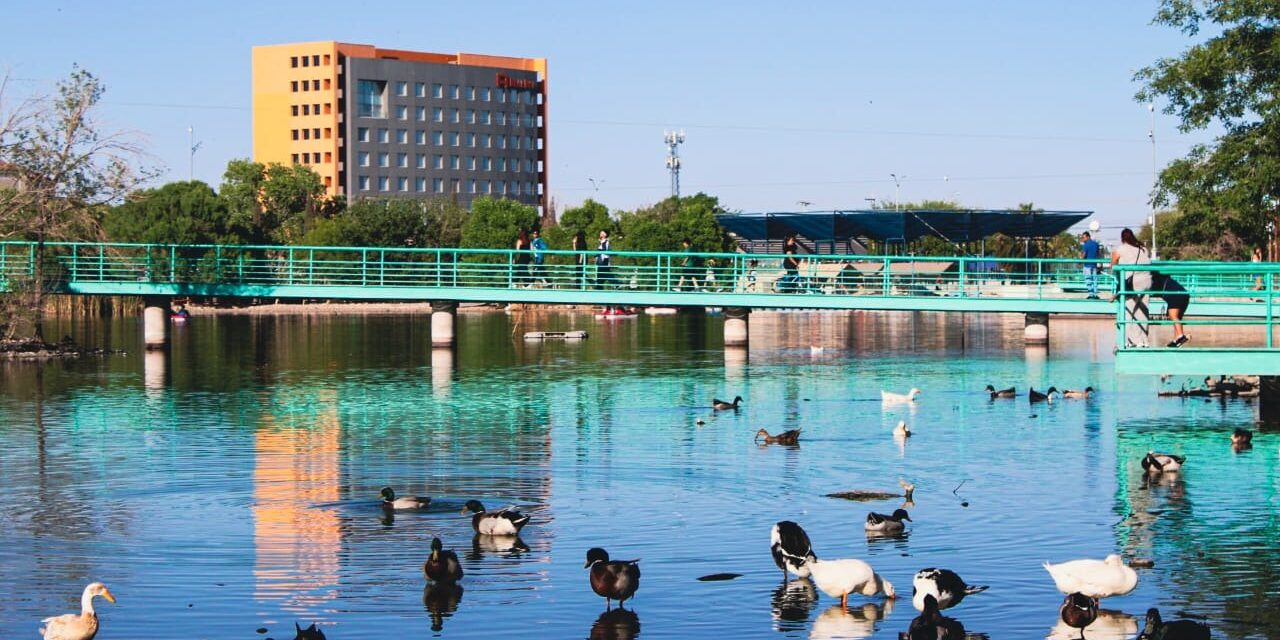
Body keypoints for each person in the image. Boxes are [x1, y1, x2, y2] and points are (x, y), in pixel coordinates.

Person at [1110, 227, 1152, 348]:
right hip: (1147, 281)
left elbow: (1113, 265)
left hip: (1133, 283)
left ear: (1122, 238)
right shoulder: (1143, 249)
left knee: (1129, 311)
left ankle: (1132, 341)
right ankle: (1144, 340)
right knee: (1142, 311)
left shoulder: (1121, 248)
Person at [1157, 273, 1190, 347]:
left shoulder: (1157, 279)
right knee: (1176, 318)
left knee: (1173, 316)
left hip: (1175, 294)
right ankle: (1176, 340)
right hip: (1183, 294)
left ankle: (1181, 336)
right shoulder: (1168, 280)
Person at [1080, 231, 1100, 299]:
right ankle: (1095, 294)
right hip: (1094, 265)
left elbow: (1084, 255)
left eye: (1083, 237)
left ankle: (1091, 294)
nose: (1083, 239)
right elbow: (1098, 255)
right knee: (1095, 279)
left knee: (1088, 279)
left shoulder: (1085, 245)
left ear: (1088, 237)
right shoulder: (1096, 244)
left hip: (1087, 265)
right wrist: (1101, 265)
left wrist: (1079, 261)